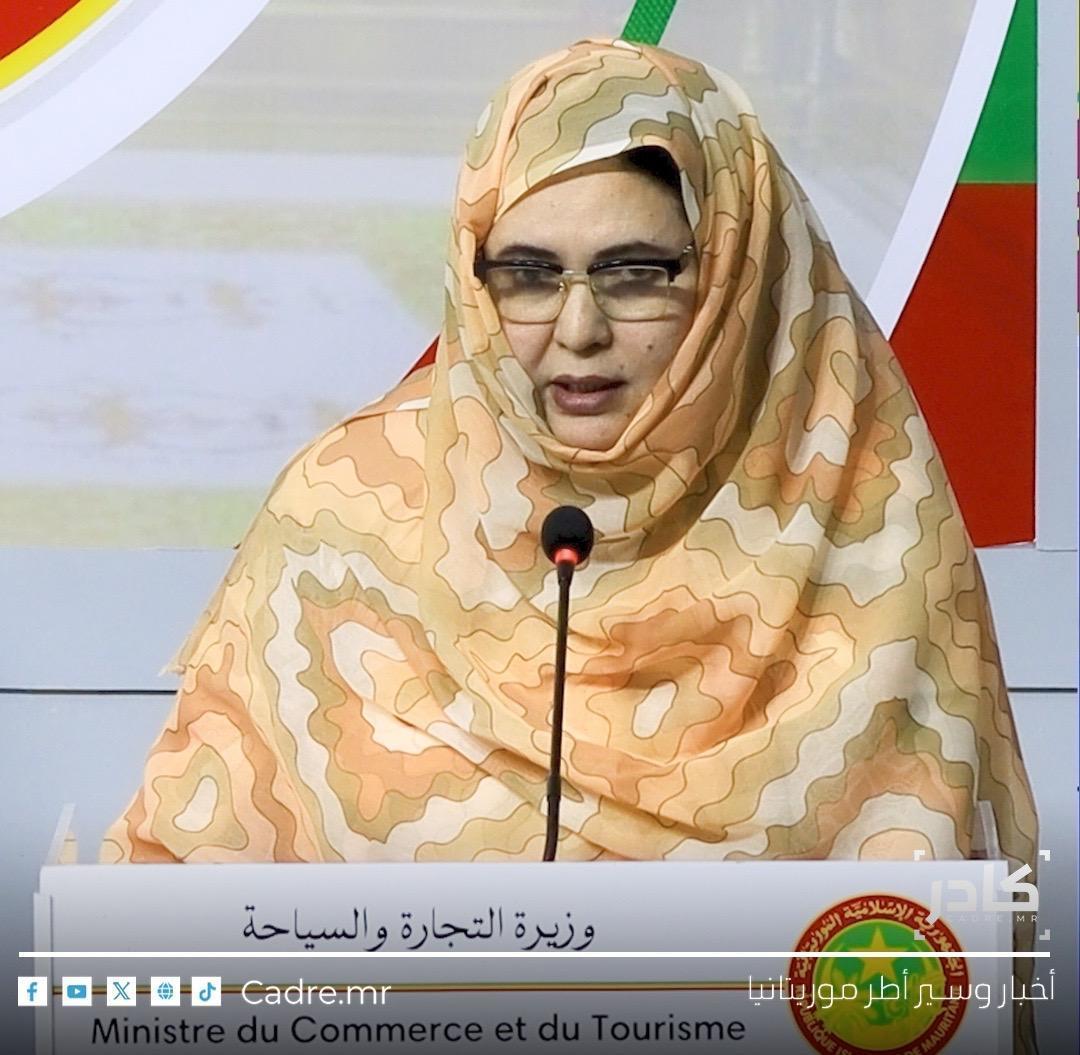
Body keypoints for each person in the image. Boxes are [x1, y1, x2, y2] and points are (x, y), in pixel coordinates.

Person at [102, 35, 1037, 882]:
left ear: (734, 274)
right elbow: (167, 907)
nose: (577, 328)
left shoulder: (870, 523)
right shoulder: (345, 514)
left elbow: (942, 943)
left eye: (635, 274)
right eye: (529, 274)